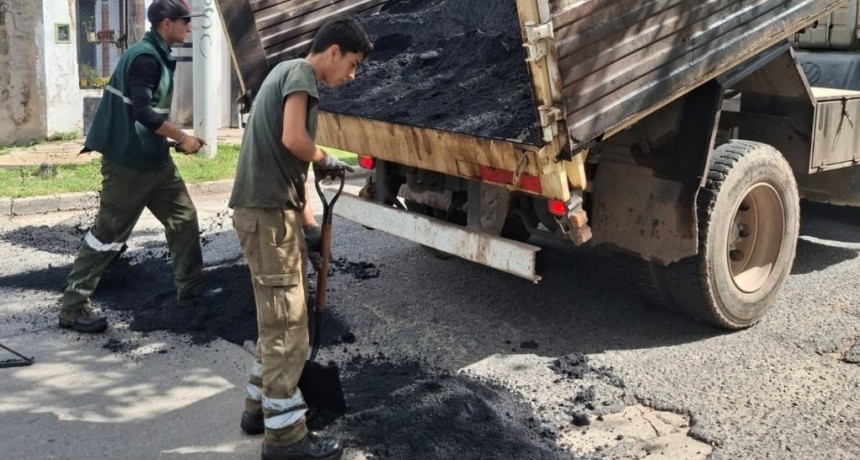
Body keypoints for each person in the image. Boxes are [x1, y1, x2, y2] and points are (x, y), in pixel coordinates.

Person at [229, 17, 372, 460]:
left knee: (275, 323)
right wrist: (329, 156)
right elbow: (295, 141)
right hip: (267, 219)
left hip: (272, 214)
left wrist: (309, 228)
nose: (352, 76)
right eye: (351, 64)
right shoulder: (301, 76)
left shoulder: (284, 72)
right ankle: (285, 439)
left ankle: (259, 410)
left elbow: (295, 170)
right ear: (332, 51)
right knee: (289, 329)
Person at [59, 0, 207, 334]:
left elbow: (146, 115)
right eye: (185, 21)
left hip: (153, 159)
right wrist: (182, 138)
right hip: (127, 163)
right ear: (165, 24)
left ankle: (192, 293)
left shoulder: (157, 54)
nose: (189, 27)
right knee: (108, 236)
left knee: (184, 219)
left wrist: (170, 142)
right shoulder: (144, 58)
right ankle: (72, 307)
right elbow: (143, 112)